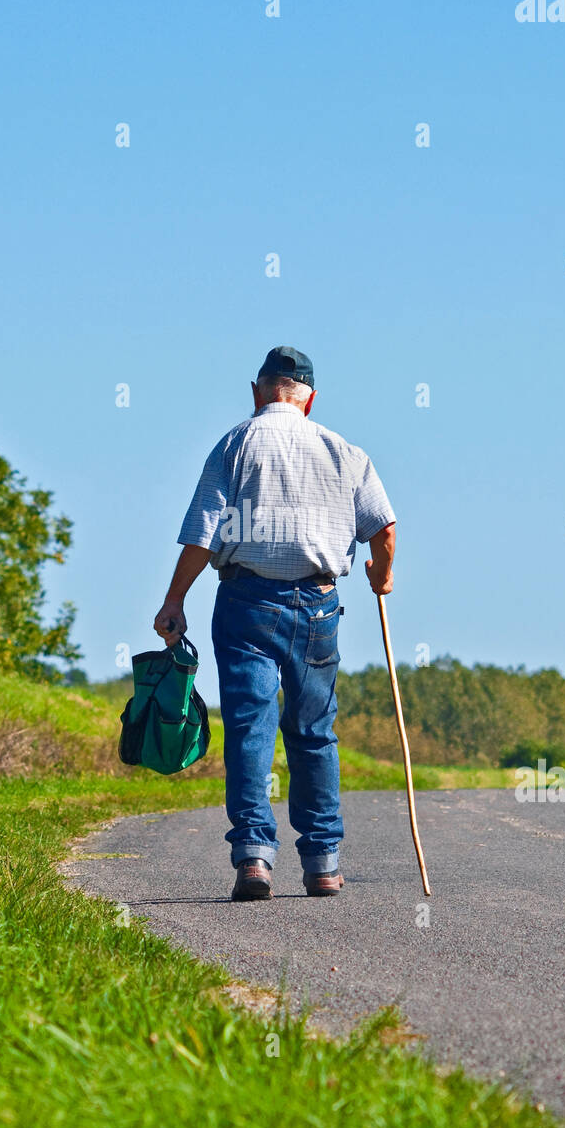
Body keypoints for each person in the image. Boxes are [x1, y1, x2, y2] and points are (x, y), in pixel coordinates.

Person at [153, 347, 396, 900]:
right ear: (309, 400)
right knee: (312, 732)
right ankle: (324, 864)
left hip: (247, 602)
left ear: (258, 392)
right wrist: (381, 576)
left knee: (250, 727)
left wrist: (174, 600)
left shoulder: (237, 442)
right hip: (319, 606)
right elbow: (383, 529)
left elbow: (204, 531)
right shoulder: (345, 451)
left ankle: (255, 859)